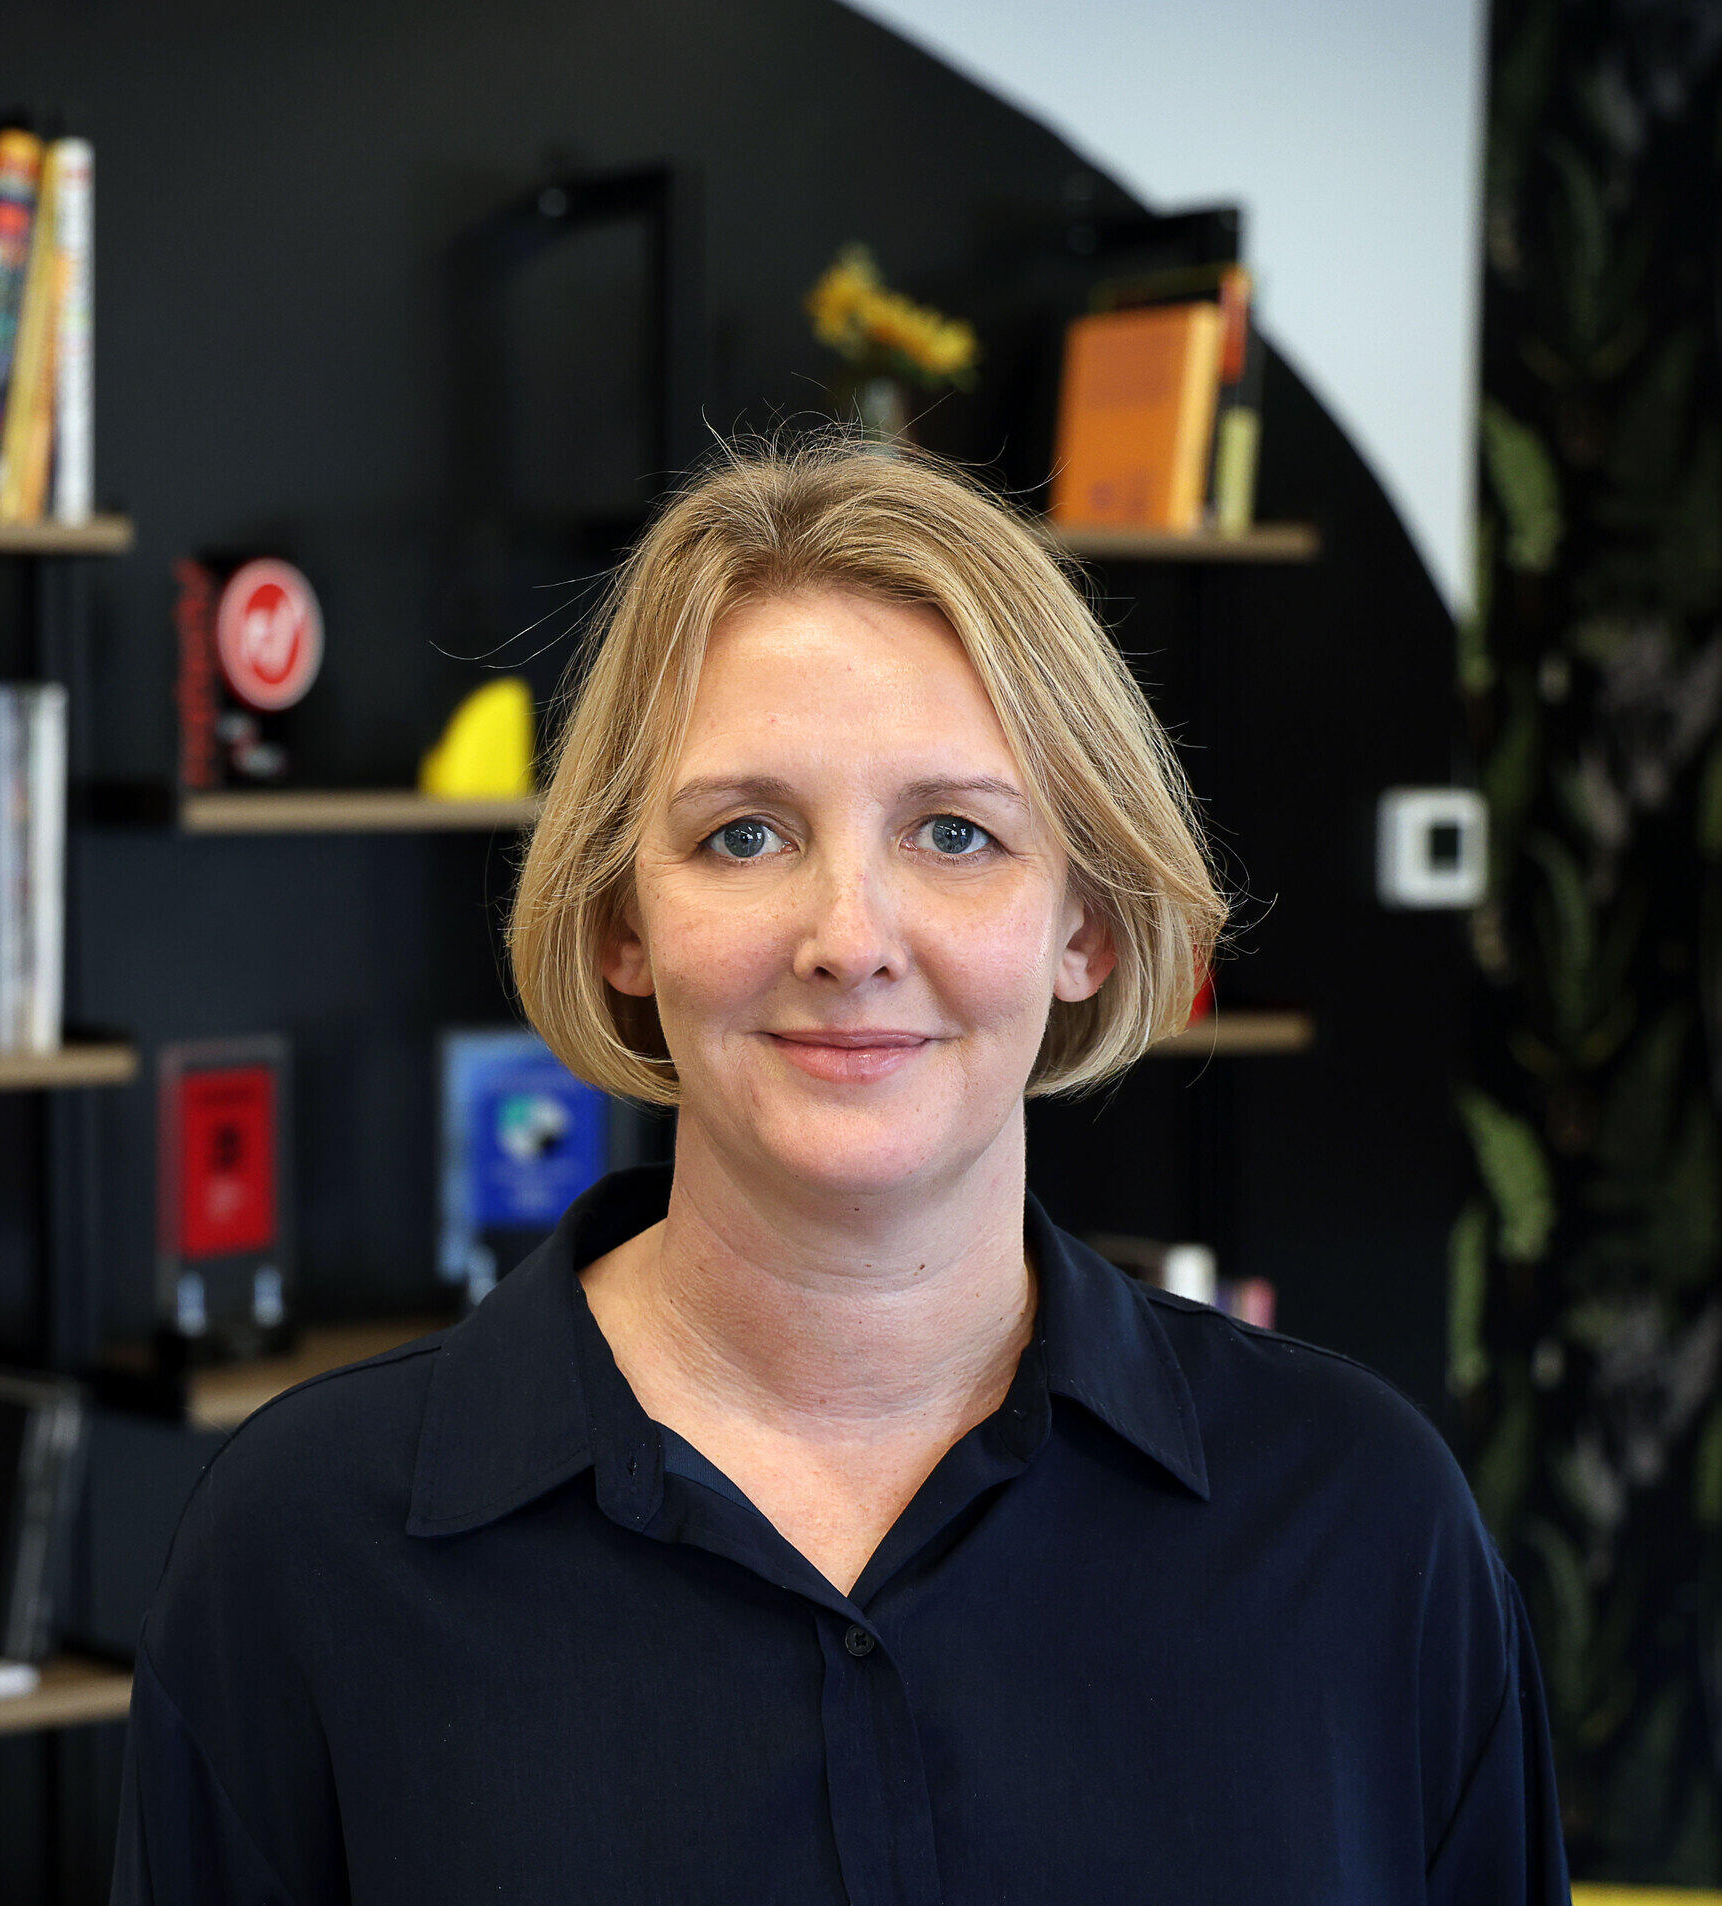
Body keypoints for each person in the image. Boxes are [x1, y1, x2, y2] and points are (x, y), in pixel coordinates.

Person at [111, 439, 1568, 1904]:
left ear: (1088, 925)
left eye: (955, 832)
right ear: (624, 920)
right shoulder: (301, 1553)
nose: (849, 936)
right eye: (745, 834)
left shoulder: (1366, 1528)